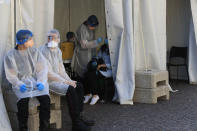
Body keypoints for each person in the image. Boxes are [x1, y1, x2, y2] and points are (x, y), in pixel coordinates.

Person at [40, 29, 94, 131]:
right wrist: (66, 82)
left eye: (53, 38)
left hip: (58, 79)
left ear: (59, 39)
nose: (50, 39)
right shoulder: (42, 51)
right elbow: (48, 74)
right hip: (48, 82)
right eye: (49, 37)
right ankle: (76, 123)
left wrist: (70, 80)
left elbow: (61, 70)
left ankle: (79, 117)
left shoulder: (58, 51)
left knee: (79, 86)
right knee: (70, 89)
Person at [4, 29, 50, 131]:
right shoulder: (10, 55)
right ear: (23, 41)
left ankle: (44, 127)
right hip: (21, 84)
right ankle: (23, 128)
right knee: (23, 103)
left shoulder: (34, 51)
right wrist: (19, 84)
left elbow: (42, 68)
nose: (32, 41)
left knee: (46, 100)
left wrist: (41, 81)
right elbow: (11, 75)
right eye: (30, 39)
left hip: (35, 82)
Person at [71, 15, 103, 79]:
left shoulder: (90, 29)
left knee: (89, 72)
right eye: (93, 26)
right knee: (83, 73)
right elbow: (84, 45)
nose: (94, 28)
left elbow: (91, 41)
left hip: (89, 53)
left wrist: (94, 54)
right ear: (89, 24)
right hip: (82, 55)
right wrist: (96, 42)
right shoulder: (82, 29)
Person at [83, 39, 112, 105]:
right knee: (87, 73)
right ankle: (88, 94)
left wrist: (103, 65)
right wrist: (94, 60)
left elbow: (115, 64)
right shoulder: (104, 49)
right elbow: (98, 56)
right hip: (102, 68)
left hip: (110, 70)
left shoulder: (115, 50)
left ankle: (95, 95)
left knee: (92, 75)